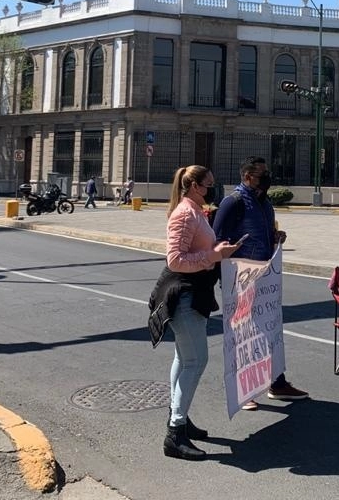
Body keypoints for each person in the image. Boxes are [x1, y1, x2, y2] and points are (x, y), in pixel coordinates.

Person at [151, 165, 239, 460]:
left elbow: (194, 250)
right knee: (196, 360)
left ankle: (180, 416)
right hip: (184, 295)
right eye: (208, 185)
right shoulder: (185, 214)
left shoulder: (195, 210)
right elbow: (175, 259)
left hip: (195, 293)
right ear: (193, 186)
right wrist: (212, 256)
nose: (211, 189)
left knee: (183, 358)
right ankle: (175, 433)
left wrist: (217, 249)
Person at [212, 156, 308, 410]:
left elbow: (265, 235)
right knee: (243, 336)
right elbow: (217, 242)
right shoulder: (232, 203)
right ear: (247, 177)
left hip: (264, 280)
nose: (267, 177)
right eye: (261, 174)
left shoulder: (265, 203)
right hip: (240, 281)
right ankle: (244, 391)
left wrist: (276, 237)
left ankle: (277, 383)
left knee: (270, 331)